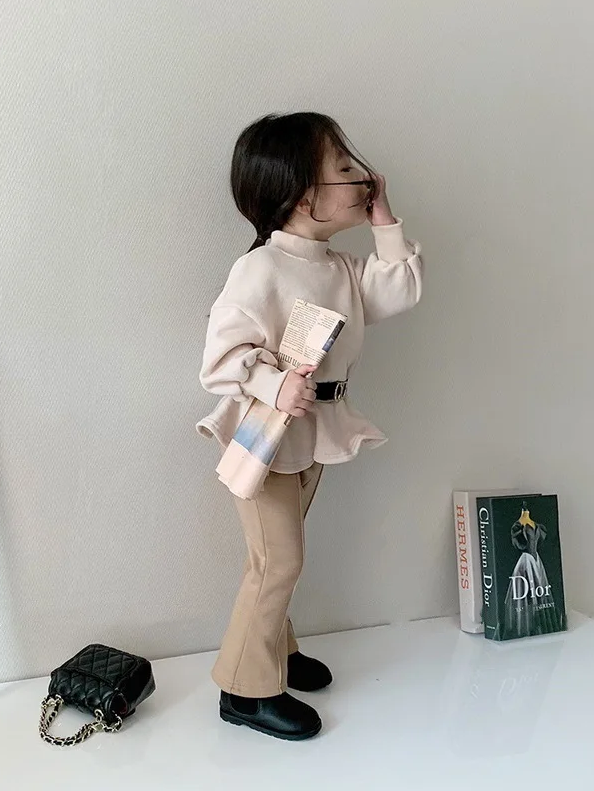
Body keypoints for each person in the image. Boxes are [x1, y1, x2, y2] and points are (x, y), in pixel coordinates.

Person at [196, 112, 424, 740]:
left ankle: (274, 649)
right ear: (302, 195)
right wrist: (275, 384)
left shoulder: (338, 267)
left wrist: (384, 220)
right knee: (279, 561)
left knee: (280, 554)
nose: (365, 179)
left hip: (314, 431)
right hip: (264, 437)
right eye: (346, 169)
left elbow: (398, 291)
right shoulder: (261, 268)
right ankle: (244, 690)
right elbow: (219, 360)